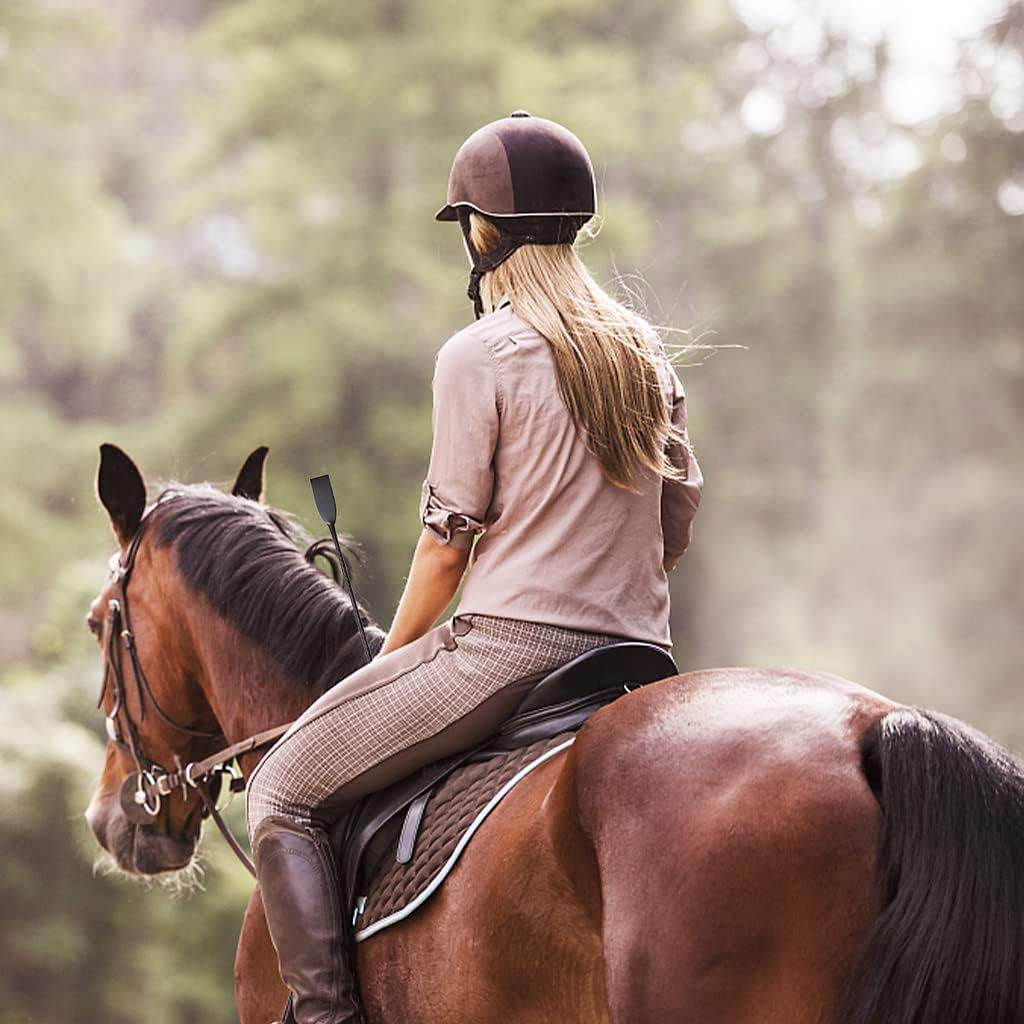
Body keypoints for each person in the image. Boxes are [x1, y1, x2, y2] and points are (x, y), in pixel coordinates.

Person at [245, 110, 703, 1024]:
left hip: (507, 652)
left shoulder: (478, 354)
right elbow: (675, 521)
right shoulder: (641, 356)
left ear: (480, 230)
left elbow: (447, 542)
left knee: (281, 789)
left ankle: (327, 1017)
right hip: (638, 655)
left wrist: (389, 664)